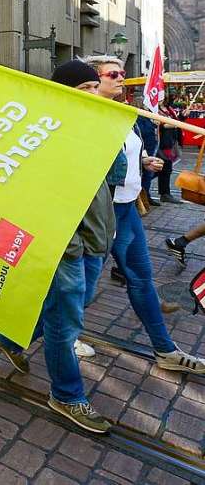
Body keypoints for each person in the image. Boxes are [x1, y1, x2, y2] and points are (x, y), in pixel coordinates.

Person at [0, 61, 117, 433]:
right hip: (67, 247)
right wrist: (70, 245)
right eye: (87, 88)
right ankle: (66, 394)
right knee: (66, 322)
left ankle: (9, 336)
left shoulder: (93, 129)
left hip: (93, 241)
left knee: (73, 303)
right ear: (64, 92)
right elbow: (42, 194)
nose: (96, 93)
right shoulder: (51, 134)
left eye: (97, 86)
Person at [87, 55, 205, 374]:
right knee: (79, 292)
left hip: (126, 210)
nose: (122, 77)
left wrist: (143, 162)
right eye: (114, 73)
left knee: (141, 277)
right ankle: (13, 338)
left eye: (123, 73)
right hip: (100, 213)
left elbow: (124, 155)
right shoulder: (89, 115)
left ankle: (165, 349)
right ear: (94, 81)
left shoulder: (126, 114)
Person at [156, 93, 183, 204]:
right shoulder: (155, 110)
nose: (161, 99)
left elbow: (176, 121)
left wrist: (182, 116)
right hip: (162, 143)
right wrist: (176, 124)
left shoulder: (168, 109)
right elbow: (162, 125)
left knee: (167, 168)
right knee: (162, 168)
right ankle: (164, 193)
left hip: (171, 142)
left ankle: (165, 193)